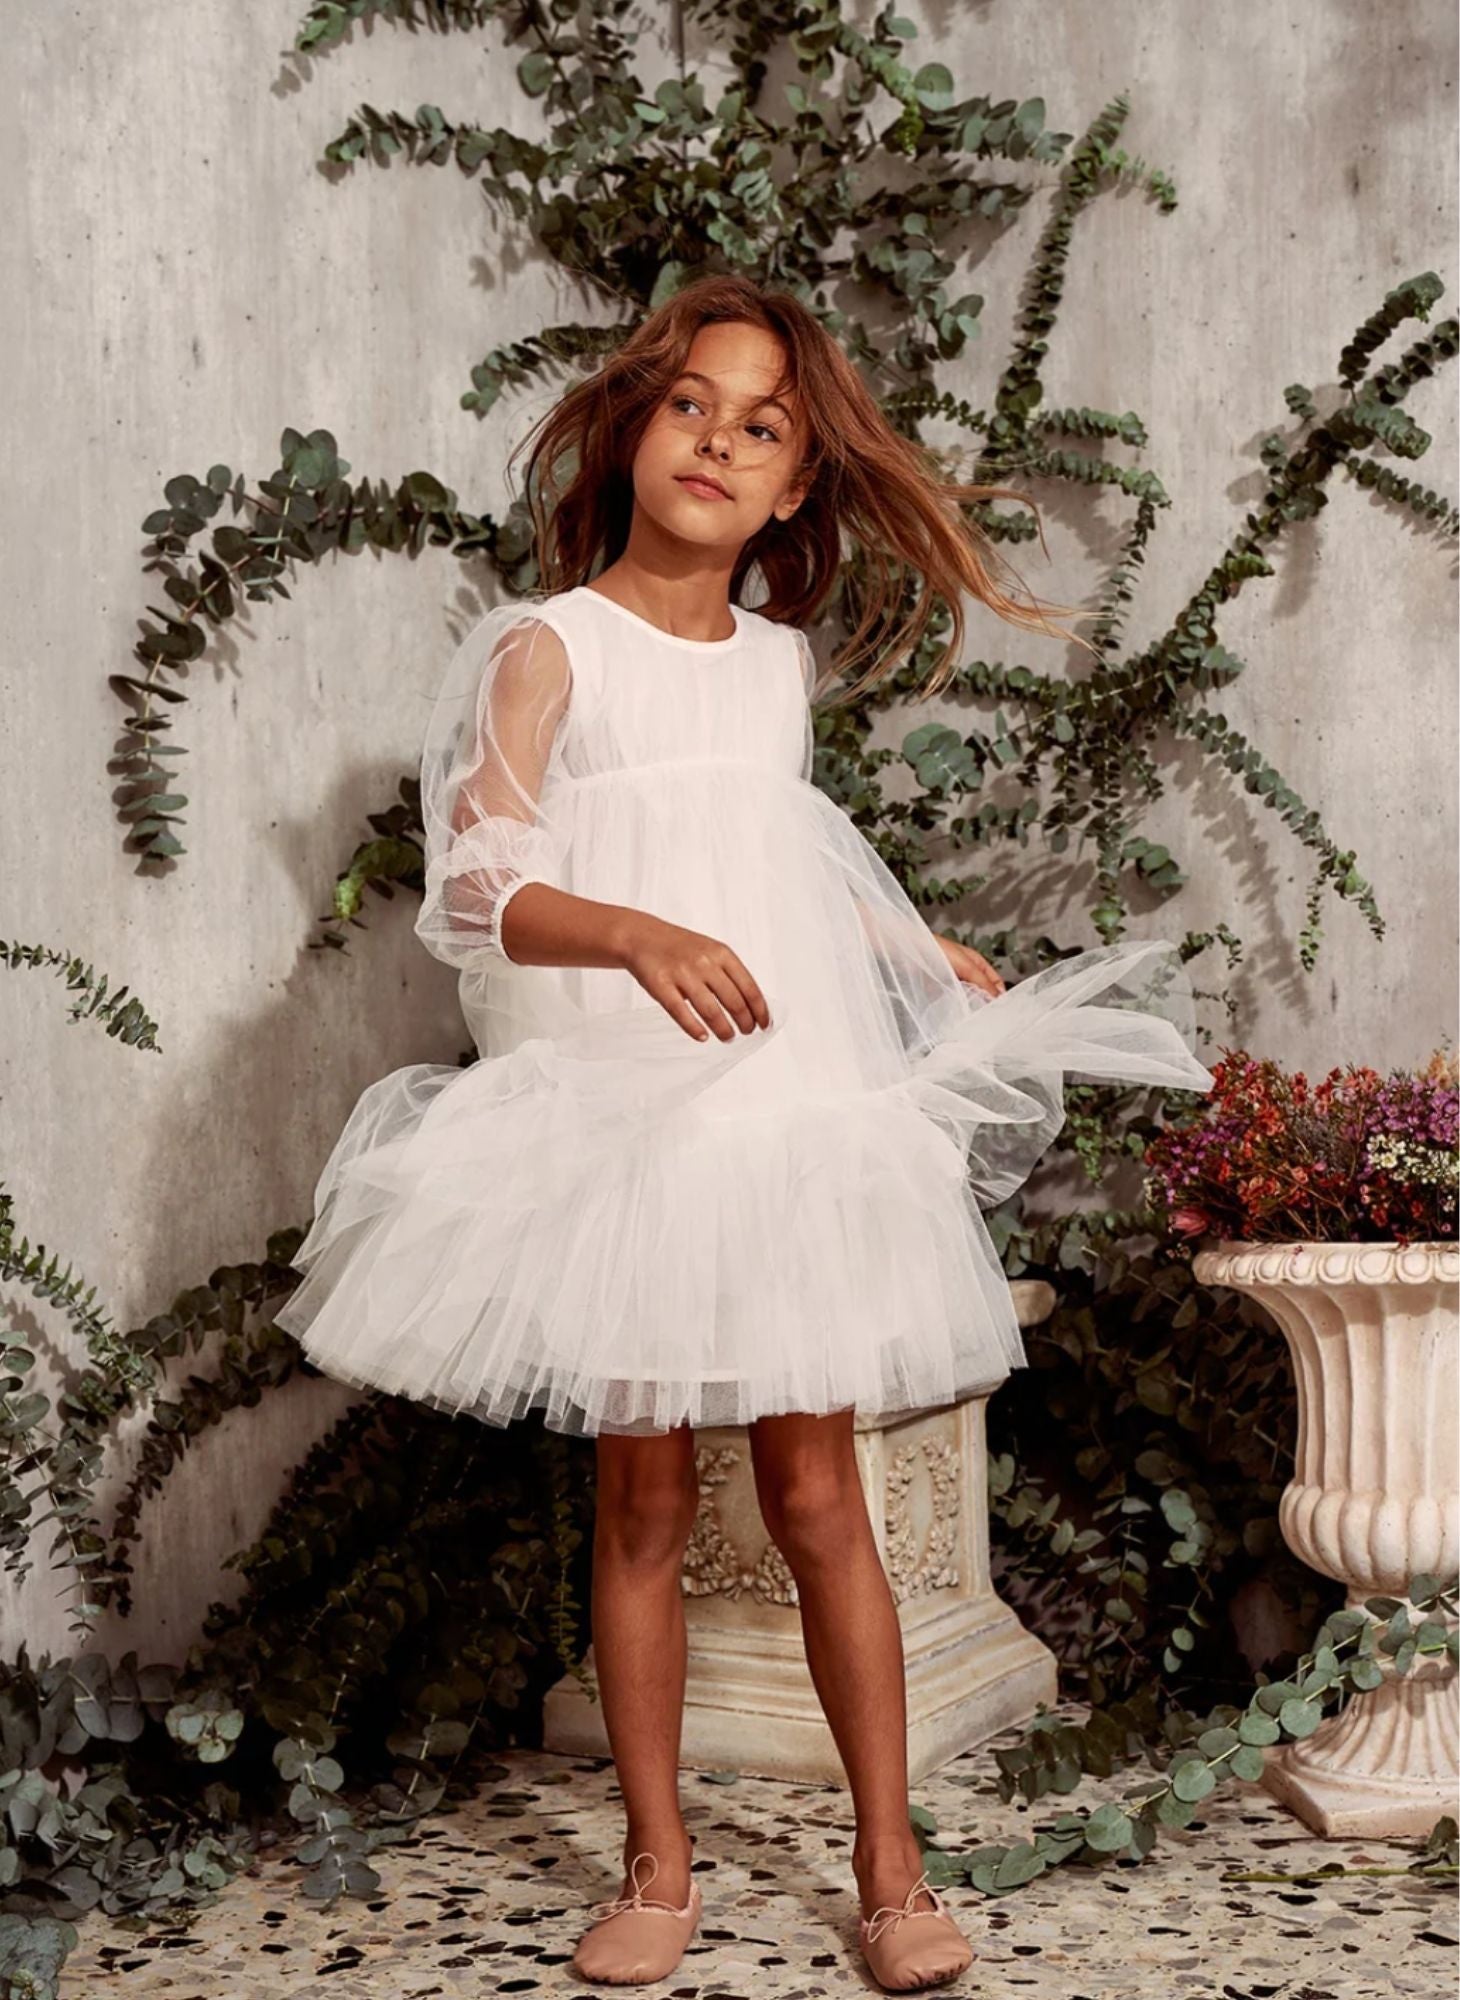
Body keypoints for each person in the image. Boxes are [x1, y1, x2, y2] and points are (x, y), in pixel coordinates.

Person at [274, 274, 1214, 1991]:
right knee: (638, 1500)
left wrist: (900, 942)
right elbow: (479, 887)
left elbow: (770, 851)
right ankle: (657, 1863)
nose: (717, 439)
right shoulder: (552, 645)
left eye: (762, 426)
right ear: (635, 429)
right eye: (690, 403)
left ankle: (892, 1865)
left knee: (817, 1491)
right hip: (627, 1122)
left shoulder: (776, 664)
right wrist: (632, 934)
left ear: (794, 491)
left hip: (778, 1112)